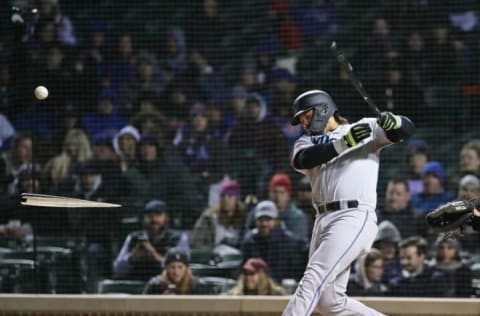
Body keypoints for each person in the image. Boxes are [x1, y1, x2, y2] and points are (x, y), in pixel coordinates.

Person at [283, 90, 414, 316]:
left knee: (313, 277)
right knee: (329, 303)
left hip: (353, 215)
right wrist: (342, 144)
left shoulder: (365, 128)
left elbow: (406, 129)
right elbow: (304, 159)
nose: (303, 122)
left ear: (323, 109)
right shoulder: (305, 142)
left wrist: (396, 121)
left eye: (306, 115)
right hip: (322, 219)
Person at [113, 200, 181, 281]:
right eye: (149, 216)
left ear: (166, 218)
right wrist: (131, 257)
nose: (154, 219)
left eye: (158, 215)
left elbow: (181, 271)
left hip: (164, 283)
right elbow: (117, 269)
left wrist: (154, 254)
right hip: (134, 282)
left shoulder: (177, 238)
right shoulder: (133, 237)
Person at [241, 200, 306, 283]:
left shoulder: (290, 242)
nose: (264, 223)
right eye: (260, 219)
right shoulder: (249, 243)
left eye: (268, 219)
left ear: (276, 221)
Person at [191, 180, 246, 252]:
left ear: (236, 198)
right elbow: (197, 242)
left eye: (230, 196)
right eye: (223, 196)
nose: (226, 199)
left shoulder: (244, 217)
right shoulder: (209, 217)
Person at [143, 248, 207, 295]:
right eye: (172, 267)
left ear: (186, 269)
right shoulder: (155, 285)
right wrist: (161, 301)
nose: (176, 272)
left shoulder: (197, 285)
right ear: (166, 268)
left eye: (180, 267)